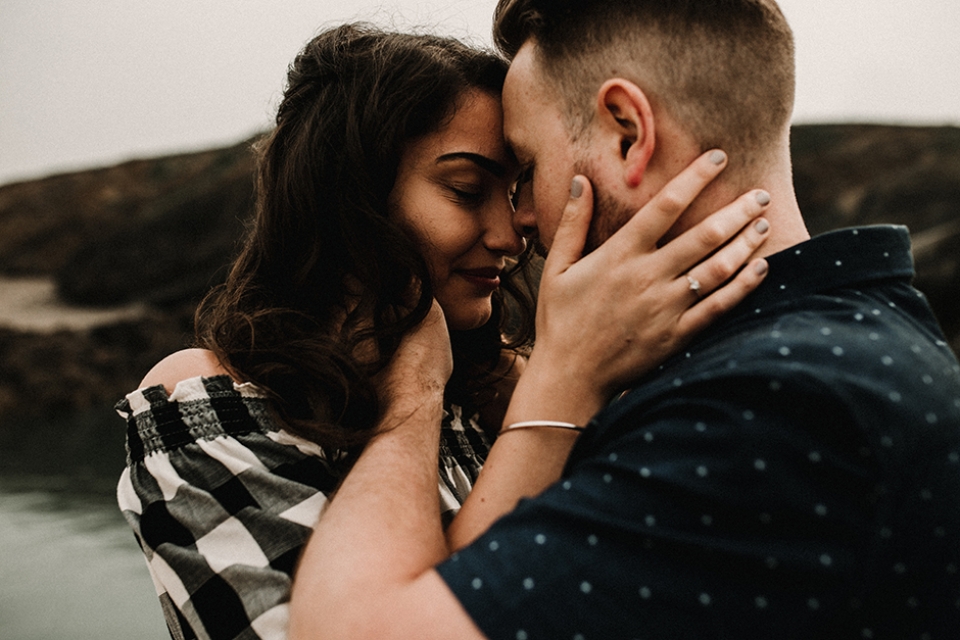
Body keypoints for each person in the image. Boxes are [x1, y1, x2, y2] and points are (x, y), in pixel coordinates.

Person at [286, 2, 960, 639]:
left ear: (628, 133)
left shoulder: (769, 409)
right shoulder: (843, 342)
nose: (519, 222)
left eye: (527, 168)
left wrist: (412, 395)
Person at [117, 22, 772, 640]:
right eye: (465, 189)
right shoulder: (207, 403)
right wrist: (415, 395)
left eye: (516, 188)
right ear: (350, 199)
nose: (511, 230)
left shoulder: (504, 388)